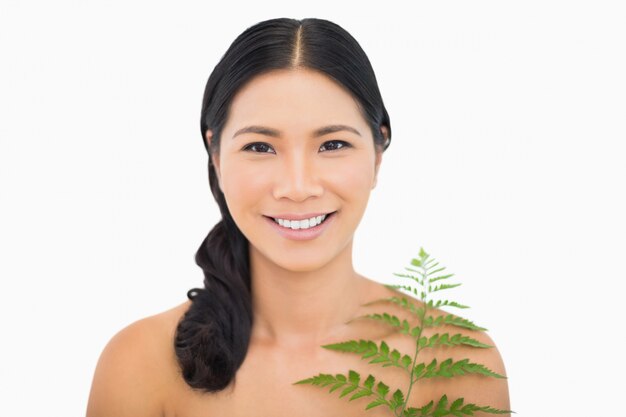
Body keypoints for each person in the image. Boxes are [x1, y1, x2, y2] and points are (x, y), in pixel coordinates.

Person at [86, 17, 510, 417]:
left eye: (332, 145)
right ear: (215, 156)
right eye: (260, 147)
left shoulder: (456, 364)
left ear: (378, 155)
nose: (297, 186)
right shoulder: (139, 363)